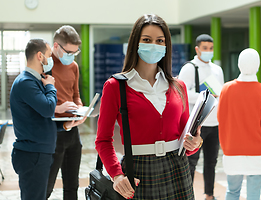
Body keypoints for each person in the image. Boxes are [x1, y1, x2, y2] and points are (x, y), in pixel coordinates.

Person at [95, 14, 203, 200]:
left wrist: (195, 143)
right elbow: (103, 140)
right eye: (147, 40)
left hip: (178, 168)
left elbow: (187, 139)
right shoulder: (115, 86)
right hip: (137, 172)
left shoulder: (179, 86)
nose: (154, 45)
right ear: (135, 43)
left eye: (160, 41)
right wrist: (117, 175)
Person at [217, 48, 261, 200]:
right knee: (254, 194)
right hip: (258, 150)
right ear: (258, 66)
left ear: (238, 64)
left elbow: (220, 118)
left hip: (232, 148)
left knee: (232, 191)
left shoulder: (226, 89)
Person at [10, 39, 61, 200]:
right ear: (40, 56)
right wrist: (51, 86)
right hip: (32, 155)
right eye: (49, 55)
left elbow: (38, 117)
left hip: (38, 153)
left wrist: (66, 125)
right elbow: (47, 108)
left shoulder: (35, 80)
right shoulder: (26, 82)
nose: (51, 59)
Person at [178, 34, 224, 200]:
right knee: (191, 163)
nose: (208, 52)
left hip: (215, 123)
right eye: (205, 49)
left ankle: (209, 195)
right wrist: (203, 96)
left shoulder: (217, 70)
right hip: (197, 123)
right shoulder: (190, 68)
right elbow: (181, 91)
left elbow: (221, 95)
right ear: (197, 49)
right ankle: (187, 195)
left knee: (211, 162)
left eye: (211, 49)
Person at [46, 25, 87, 200]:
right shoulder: (44, 66)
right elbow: (37, 101)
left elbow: (75, 94)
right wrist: (58, 108)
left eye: (75, 53)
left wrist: (81, 109)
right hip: (51, 131)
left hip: (72, 131)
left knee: (72, 186)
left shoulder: (74, 66)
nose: (71, 56)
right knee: (46, 186)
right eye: (69, 52)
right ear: (56, 46)